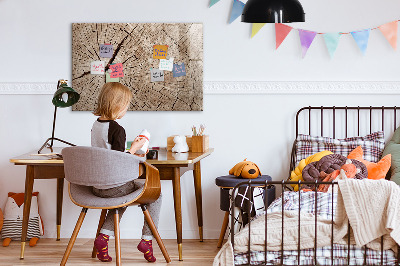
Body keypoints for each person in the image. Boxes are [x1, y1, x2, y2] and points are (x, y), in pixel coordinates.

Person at [91, 82, 161, 263]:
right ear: (117, 105)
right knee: (156, 194)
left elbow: (108, 154)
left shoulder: (96, 125)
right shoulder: (117, 129)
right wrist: (136, 148)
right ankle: (147, 240)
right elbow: (119, 160)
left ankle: (103, 238)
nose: (126, 110)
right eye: (126, 106)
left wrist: (130, 149)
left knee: (121, 198)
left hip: (97, 186)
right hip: (114, 186)